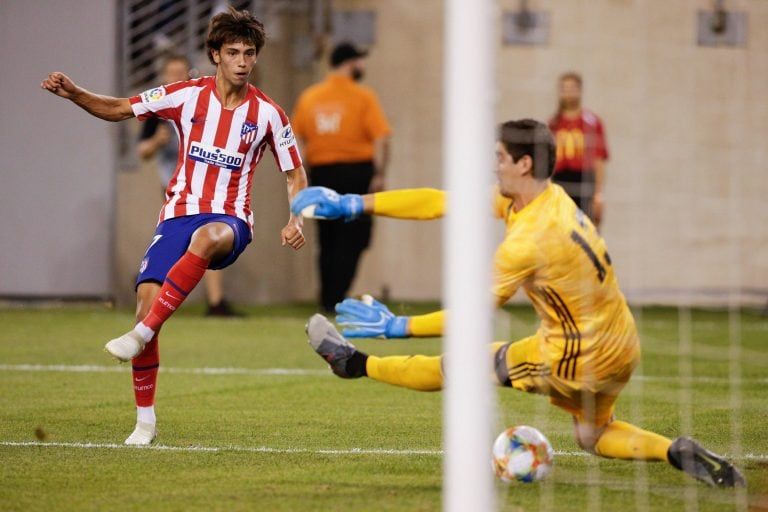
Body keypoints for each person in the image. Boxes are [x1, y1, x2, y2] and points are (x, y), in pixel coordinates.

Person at [292, 119, 745, 488]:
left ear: (523, 163)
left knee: (462, 365)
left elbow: (471, 315)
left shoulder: (526, 241)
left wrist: (399, 326)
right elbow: (439, 202)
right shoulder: (547, 199)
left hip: (573, 355)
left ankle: (354, 364)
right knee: (593, 435)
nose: (494, 168)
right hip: (622, 343)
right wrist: (354, 203)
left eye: (500, 159)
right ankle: (673, 449)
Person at [41, 7, 307, 445]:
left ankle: (140, 336)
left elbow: (295, 174)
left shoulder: (269, 114)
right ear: (215, 54)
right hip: (177, 215)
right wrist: (75, 93)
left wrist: (296, 216)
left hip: (230, 220)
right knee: (146, 303)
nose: (242, 61)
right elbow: (119, 108)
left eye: (250, 53)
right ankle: (145, 423)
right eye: (234, 52)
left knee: (206, 239)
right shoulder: (186, 95)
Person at [137, 54, 241, 318]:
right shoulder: (158, 109)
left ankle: (215, 301)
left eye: (180, 73)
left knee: (205, 242)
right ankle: (154, 292)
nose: (176, 78)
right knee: (177, 247)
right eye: (170, 73)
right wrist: (157, 142)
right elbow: (142, 151)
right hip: (174, 189)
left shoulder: (201, 104)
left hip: (205, 189)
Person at [291, 41, 392, 312]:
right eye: (359, 60)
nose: (362, 66)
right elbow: (381, 138)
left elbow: (296, 138)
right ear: (350, 63)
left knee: (328, 238)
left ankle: (328, 298)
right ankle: (337, 295)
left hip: (322, 172)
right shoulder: (363, 97)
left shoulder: (310, 97)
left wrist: (302, 173)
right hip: (357, 172)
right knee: (355, 237)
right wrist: (380, 173)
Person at [549, 72, 609, 228]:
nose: (568, 92)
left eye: (572, 88)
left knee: (585, 229)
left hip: (583, 180)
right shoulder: (553, 124)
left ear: (580, 90)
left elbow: (599, 159)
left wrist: (598, 194)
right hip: (559, 180)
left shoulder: (591, 123)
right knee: (559, 230)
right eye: (564, 88)